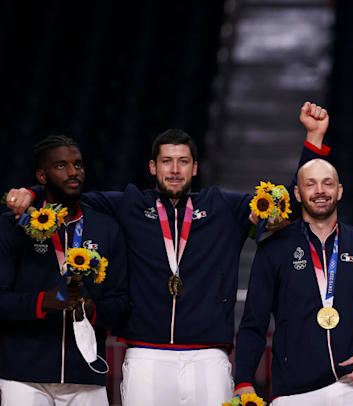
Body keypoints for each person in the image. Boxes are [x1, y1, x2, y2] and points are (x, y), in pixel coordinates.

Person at [5, 102, 331, 405]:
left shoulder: (223, 207)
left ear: (195, 168)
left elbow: (286, 208)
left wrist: (314, 139)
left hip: (209, 356)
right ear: (152, 166)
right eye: (166, 161)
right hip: (146, 356)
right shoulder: (129, 204)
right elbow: (68, 193)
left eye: (183, 162)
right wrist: (31, 193)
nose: (175, 170)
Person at [233, 159, 353, 405]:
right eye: (311, 184)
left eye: (327, 183)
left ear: (339, 191)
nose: (320, 191)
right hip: (293, 392)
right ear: (298, 193)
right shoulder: (273, 250)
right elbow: (254, 322)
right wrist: (243, 380)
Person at [0, 135, 128, 405]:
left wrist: (94, 311)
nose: (73, 172)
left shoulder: (106, 228)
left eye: (78, 165)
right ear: (41, 176)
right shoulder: (14, 227)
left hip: (86, 374)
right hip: (23, 376)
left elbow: (121, 299)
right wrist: (42, 302)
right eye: (61, 165)